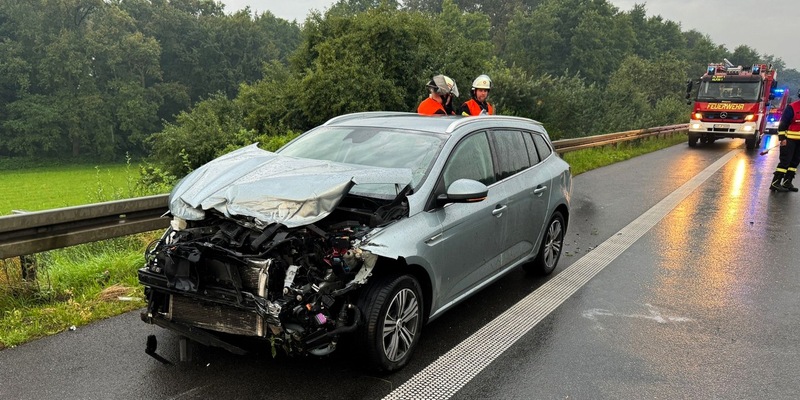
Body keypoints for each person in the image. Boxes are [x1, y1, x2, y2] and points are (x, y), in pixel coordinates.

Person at [770, 89, 800, 192]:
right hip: (789, 140)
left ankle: (787, 182)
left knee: (795, 162)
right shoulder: (792, 107)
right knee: (785, 162)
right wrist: (782, 139)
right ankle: (775, 183)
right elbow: (783, 124)